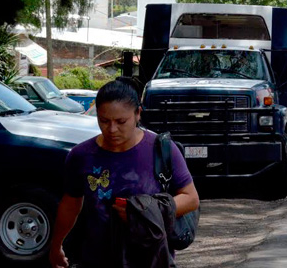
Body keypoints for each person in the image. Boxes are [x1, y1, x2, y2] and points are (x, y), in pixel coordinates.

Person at [49, 78, 200, 267]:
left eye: (121, 121)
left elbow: (191, 198)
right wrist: (56, 245)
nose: (112, 129)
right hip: (96, 258)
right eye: (104, 121)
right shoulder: (81, 155)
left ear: (138, 114)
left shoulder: (161, 149)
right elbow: (70, 204)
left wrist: (144, 211)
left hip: (149, 258)